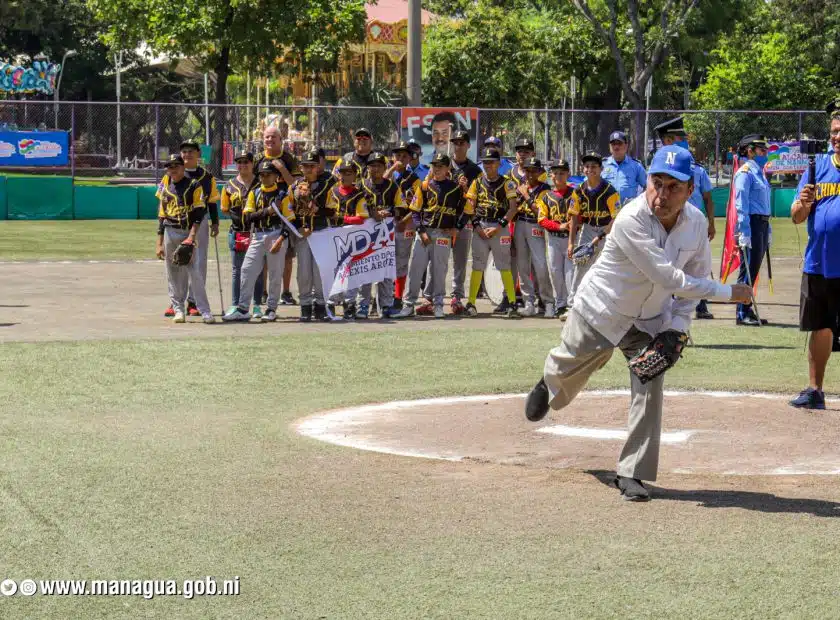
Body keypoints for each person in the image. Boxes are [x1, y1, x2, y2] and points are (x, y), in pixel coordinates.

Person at [523, 146, 753, 501]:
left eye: (673, 187)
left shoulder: (695, 225)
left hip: (648, 319)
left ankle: (632, 472)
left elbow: (692, 283)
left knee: (650, 379)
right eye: (656, 183)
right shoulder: (631, 218)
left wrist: (677, 329)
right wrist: (729, 292)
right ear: (647, 181)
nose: (662, 194)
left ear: (690, 190)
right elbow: (669, 277)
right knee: (570, 366)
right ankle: (549, 380)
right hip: (603, 309)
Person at [789, 96, 840, 410]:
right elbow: (796, 216)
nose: (837, 136)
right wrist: (804, 203)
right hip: (820, 262)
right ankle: (815, 390)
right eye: (834, 131)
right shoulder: (817, 166)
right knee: (820, 326)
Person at [657, 117, 717, 319]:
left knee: (698, 265)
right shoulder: (658, 171)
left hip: (694, 224)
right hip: (669, 224)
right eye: (680, 138)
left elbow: (708, 198)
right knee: (669, 266)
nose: (685, 142)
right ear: (668, 141)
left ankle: (700, 305)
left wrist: (711, 223)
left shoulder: (697, 169)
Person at [222, 160, 295, 323]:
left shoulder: (282, 195)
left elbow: (290, 221)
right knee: (247, 269)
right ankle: (243, 308)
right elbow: (248, 217)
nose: (265, 178)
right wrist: (268, 211)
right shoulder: (254, 193)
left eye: (268, 174)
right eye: (262, 175)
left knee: (275, 274)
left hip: (276, 233)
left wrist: (281, 239)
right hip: (258, 234)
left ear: (276, 176)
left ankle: (271, 308)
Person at [396, 153, 465, 319]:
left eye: (441, 166)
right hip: (424, 232)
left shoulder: (456, 189)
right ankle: (408, 305)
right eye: (434, 166)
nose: (437, 169)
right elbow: (415, 212)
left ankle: (438, 304)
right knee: (415, 269)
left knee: (439, 271)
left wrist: (457, 228)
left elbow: (466, 211)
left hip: (443, 234)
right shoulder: (425, 186)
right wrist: (421, 231)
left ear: (448, 168)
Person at [162, 141, 220, 318]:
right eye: (184, 151)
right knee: (177, 260)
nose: (187, 154)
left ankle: (193, 301)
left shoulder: (206, 177)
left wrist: (215, 222)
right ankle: (176, 302)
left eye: (191, 151)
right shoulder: (171, 174)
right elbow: (163, 203)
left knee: (198, 261)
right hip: (176, 223)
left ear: (198, 154)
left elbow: (211, 202)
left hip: (198, 222)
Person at [463, 148, 521, 318]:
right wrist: (477, 227)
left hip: (499, 227)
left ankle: (511, 303)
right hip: (480, 226)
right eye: (485, 162)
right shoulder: (477, 182)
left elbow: (513, 208)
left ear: (498, 163)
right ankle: (471, 303)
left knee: (504, 265)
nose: (488, 165)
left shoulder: (507, 183)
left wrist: (498, 227)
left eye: (491, 162)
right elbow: (470, 207)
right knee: (477, 265)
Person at [254, 125, 301, 306]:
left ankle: (286, 292)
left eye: (274, 137)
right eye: (267, 137)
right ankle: (264, 292)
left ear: (281, 140)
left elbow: (295, 186)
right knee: (265, 255)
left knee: (287, 255)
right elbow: (253, 184)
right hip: (264, 211)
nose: (270, 140)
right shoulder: (258, 159)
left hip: (285, 210)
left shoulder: (289, 159)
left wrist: (282, 170)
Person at [566, 151, 620, 310]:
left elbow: (616, 219)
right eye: (587, 166)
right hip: (588, 228)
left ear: (601, 169)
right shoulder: (578, 191)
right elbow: (574, 218)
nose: (590, 169)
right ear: (583, 169)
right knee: (580, 264)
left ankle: (605, 305)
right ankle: (573, 304)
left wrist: (599, 237)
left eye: (594, 166)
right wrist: (571, 243)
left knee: (606, 267)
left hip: (607, 230)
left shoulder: (610, 191)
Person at [290, 149, 337, 323]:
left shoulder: (328, 184)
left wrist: (318, 209)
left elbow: (334, 210)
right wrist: (298, 228)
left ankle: (321, 306)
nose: (309, 169)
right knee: (304, 272)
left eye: (312, 166)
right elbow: (289, 212)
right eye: (305, 166)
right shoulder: (294, 186)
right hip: (303, 234)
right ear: (301, 168)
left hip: (321, 231)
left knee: (320, 272)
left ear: (318, 167)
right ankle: (305, 306)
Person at [358, 151, 405, 319]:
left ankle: (385, 305)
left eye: (379, 165)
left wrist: (389, 212)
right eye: (372, 165)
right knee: (365, 268)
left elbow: (401, 207)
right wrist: (372, 214)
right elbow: (354, 207)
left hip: (386, 234)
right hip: (365, 234)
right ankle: (362, 305)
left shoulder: (392, 186)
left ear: (385, 167)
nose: (375, 169)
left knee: (385, 269)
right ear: (367, 168)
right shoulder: (361, 186)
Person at [733, 134, 772, 327]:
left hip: (762, 224)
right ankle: (742, 312)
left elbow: (764, 204)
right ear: (750, 151)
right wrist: (744, 232)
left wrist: (768, 229)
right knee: (747, 269)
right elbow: (741, 205)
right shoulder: (745, 173)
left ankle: (747, 309)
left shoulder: (759, 174)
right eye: (762, 150)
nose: (765, 154)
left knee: (754, 269)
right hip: (752, 225)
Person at [220, 150, 264, 319]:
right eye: (239, 162)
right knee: (237, 269)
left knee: (258, 270)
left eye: (246, 161)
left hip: (257, 232)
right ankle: (235, 304)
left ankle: (257, 305)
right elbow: (225, 209)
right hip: (238, 231)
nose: (243, 165)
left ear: (252, 164)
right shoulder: (229, 185)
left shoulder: (260, 183)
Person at [326, 156, 370, 319]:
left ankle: (349, 304)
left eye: (349, 173)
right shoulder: (332, 192)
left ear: (355, 175)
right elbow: (328, 213)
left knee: (352, 273)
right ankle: (331, 302)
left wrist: (342, 218)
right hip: (335, 236)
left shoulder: (359, 195)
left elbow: (361, 218)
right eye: (342, 172)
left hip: (353, 238)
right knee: (334, 271)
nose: (345, 176)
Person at [514, 157, 555, 317]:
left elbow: (539, 212)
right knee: (523, 265)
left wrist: (525, 195)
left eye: (534, 171)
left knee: (540, 265)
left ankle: (548, 302)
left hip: (535, 225)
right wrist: (519, 196)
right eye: (528, 170)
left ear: (539, 172)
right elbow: (514, 206)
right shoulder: (521, 185)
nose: (530, 174)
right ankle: (528, 302)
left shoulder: (545, 188)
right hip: (520, 223)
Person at [449, 129, 483, 313]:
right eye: (455, 142)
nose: (458, 145)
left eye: (461, 142)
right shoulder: (443, 164)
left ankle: (457, 295)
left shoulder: (474, 170)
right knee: (436, 260)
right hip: (443, 219)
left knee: (460, 260)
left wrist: (467, 188)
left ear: (468, 145)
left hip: (463, 219)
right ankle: (432, 297)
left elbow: (478, 197)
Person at [387, 141, 422, 311]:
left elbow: (416, 205)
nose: (400, 158)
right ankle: (384, 296)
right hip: (386, 224)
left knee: (401, 261)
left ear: (409, 159)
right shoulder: (388, 175)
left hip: (405, 223)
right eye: (397, 155)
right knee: (386, 260)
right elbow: (377, 185)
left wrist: (404, 221)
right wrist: (392, 169)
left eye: (404, 156)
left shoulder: (414, 180)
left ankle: (398, 297)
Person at [538, 159, 575, 318]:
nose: (558, 176)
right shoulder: (546, 196)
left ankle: (572, 305)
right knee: (555, 271)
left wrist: (573, 225)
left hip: (571, 239)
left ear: (568, 174)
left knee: (570, 272)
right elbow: (542, 219)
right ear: (550, 175)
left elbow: (580, 215)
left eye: (562, 173)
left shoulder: (575, 194)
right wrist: (559, 226)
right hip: (554, 239)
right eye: (555, 173)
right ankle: (560, 304)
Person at [602, 130, 647, 206]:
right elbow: (590, 184)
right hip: (606, 210)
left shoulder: (636, 166)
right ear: (609, 146)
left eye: (619, 144)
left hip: (628, 209)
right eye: (613, 144)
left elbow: (647, 186)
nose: (616, 147)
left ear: (626, 146)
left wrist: (639, 202)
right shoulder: (602, 165)